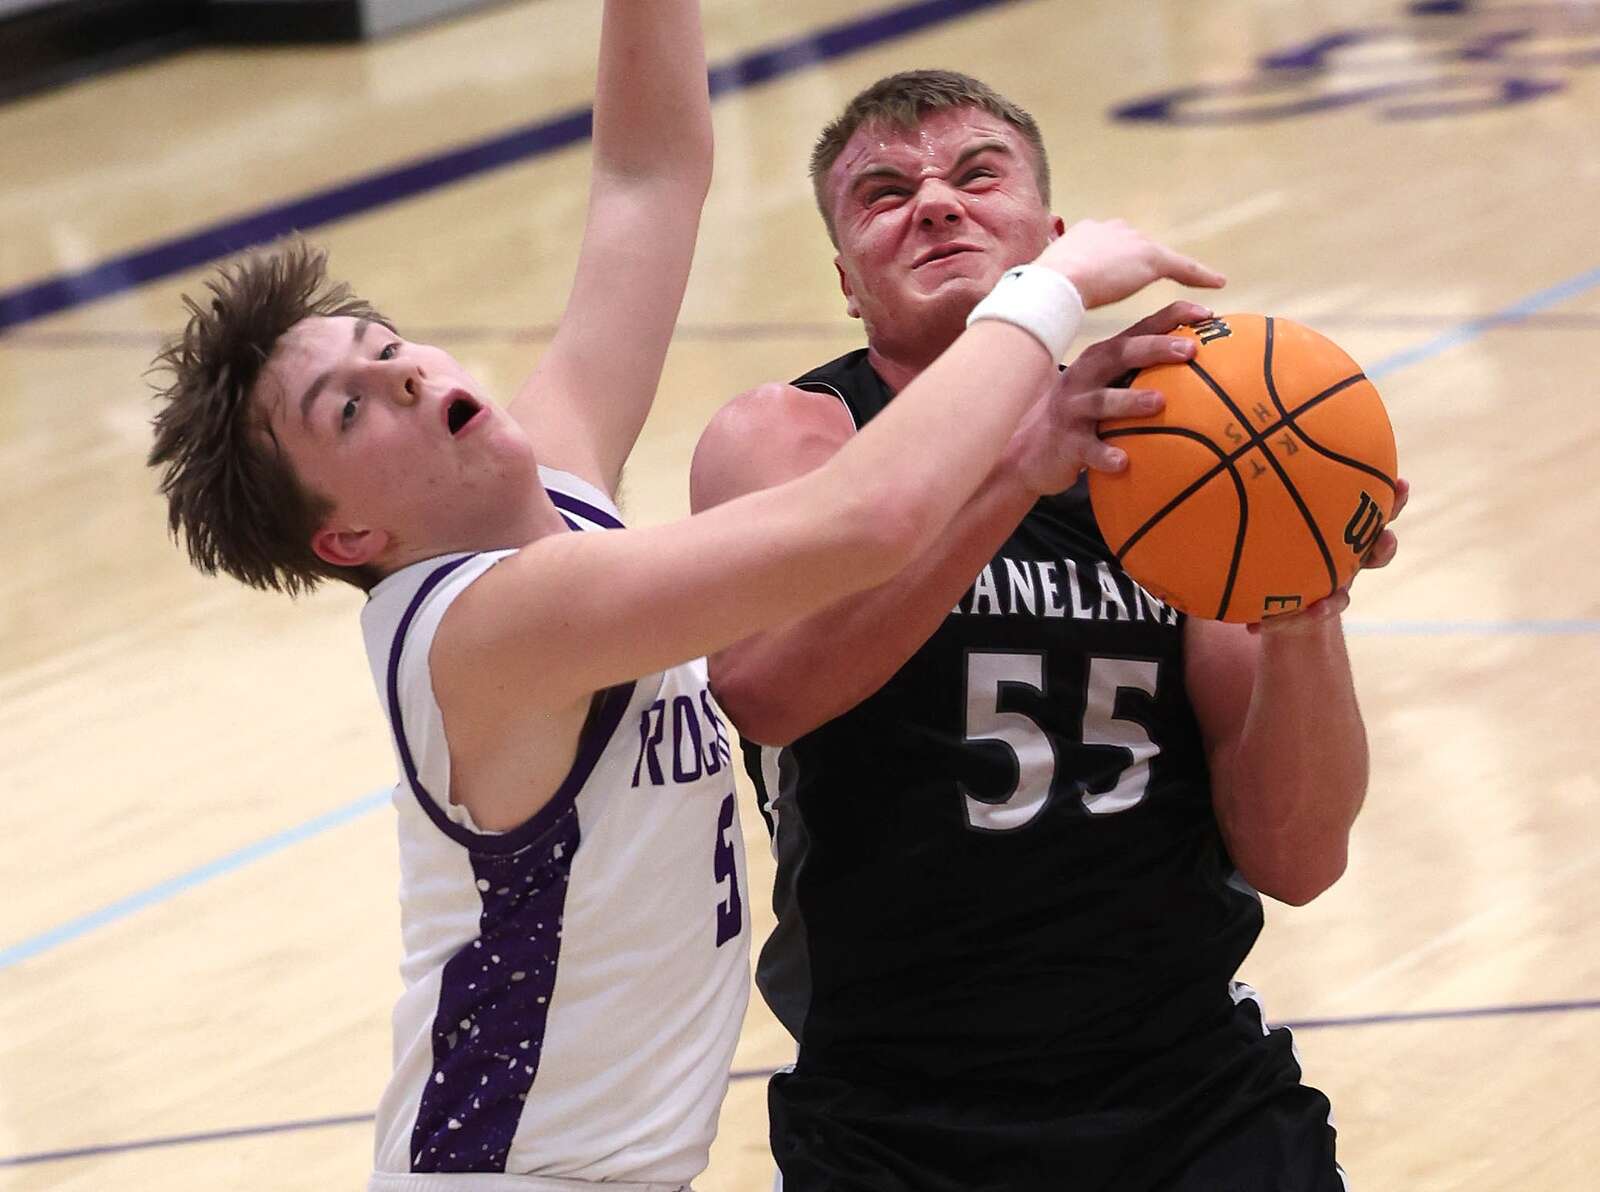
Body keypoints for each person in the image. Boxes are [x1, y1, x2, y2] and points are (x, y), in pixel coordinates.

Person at [145, 11, 1223, 1187]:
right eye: (350, 408)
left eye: (386, 344)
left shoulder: (556, 497)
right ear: (349, 537)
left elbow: (647, 175)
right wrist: (1045, 291)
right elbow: (866, 518)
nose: (402, 374)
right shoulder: (488, 627)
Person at [690, 70, 1406, 1191]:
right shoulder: (791, 437)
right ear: (846, 283)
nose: (935, 204)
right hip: (899, 1120)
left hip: (1195, 1099)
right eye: (884, 194)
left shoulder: (1170, 450)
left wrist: (1302, 608)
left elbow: (1299, 859)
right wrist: (1017, 471)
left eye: (978, 175)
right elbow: (769, 693)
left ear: (1054, 240)